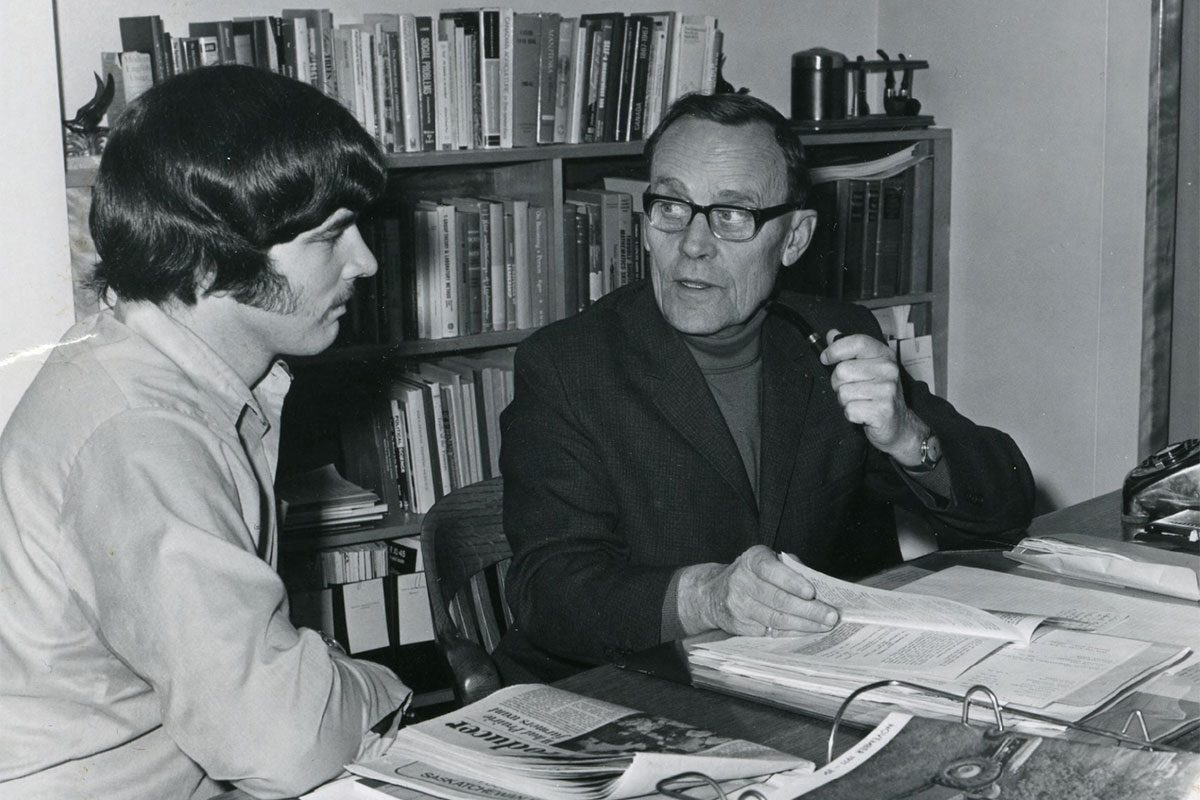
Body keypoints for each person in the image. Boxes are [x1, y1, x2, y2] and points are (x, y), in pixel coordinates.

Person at [497, 92, 1035, 682]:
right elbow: (548, 593)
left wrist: (906, 433)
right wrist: (706, 596)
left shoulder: (832, 336)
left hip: (807, 682)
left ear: (795, 238)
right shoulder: (568, 365)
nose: (694, 244)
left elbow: (1004, 510)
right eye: (671, 206)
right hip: (636, 686)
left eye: (732, 215)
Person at [0, 65, 409, 799]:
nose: (366, 262)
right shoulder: (146, 431)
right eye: (331, 236)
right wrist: (373, 683)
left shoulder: (147, 360)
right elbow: (279, 743)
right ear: (214, 254)